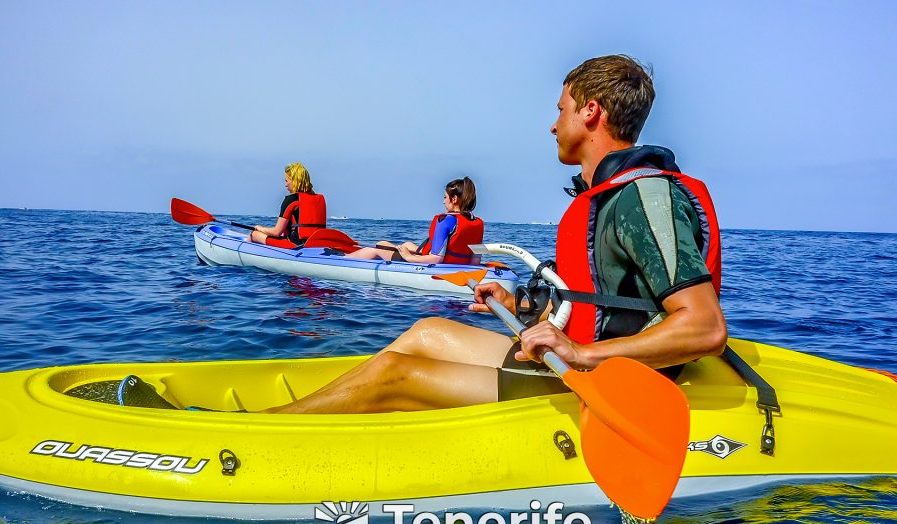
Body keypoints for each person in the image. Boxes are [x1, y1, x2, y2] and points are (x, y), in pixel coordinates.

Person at [265, 54, 727, 414]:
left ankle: (266, 430)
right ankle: (308, 411)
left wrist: (581, 355)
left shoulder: (642, 199)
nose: (553, 124)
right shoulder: (605, 196)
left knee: (395, 373)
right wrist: (520, 307)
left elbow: (704, 327)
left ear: (591, 112)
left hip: (601, 383)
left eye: (561, 109)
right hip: (574, 363)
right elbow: (598, 303)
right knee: (427, 331)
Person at [346, 177, 483, 264]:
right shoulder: (477, 222)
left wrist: (408, 257)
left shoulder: (446, 220)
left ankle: (341, 261)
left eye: (445, 197)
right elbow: (476, 260)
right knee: (401, 244)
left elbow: (437, 259)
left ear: (454, 199)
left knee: (375, 249)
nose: (443, 202)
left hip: (437, 265)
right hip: (456, 263)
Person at [250, 163, 327, 247]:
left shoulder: (291, 200)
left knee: (254, 234)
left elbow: (277, 232)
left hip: (295, 246)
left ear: (295, 181)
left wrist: (260, 228)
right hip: (317, 245)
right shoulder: (318, 199)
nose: (285, 185)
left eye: (287, 181)